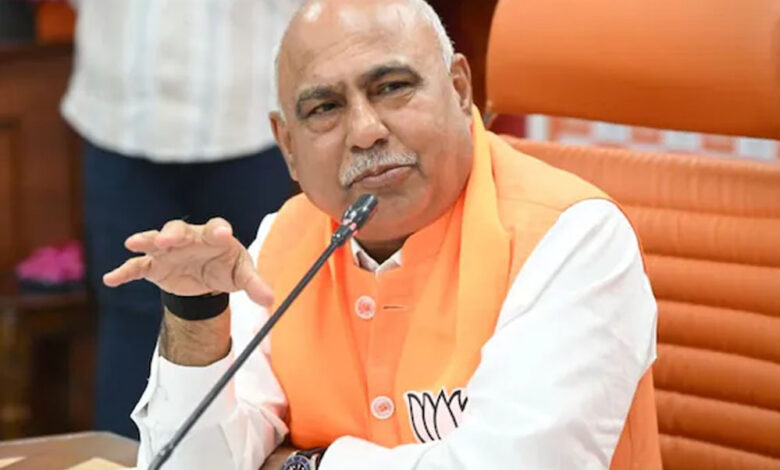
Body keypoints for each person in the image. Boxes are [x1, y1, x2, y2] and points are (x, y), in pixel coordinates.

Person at [104, 0, 662, 468]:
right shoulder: (284, 240)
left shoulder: (573, 238)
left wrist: (303, 464)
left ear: (459, 89)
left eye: (393, 87)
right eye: (325, 107)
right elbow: (191, 464)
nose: (366, 131)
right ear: (288, 145)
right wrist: (196, 317)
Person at [62, 0, 302, 438]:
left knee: (255, 307)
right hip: (120, 108)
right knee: (130, 308)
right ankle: (127, 458)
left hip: (249, 110)